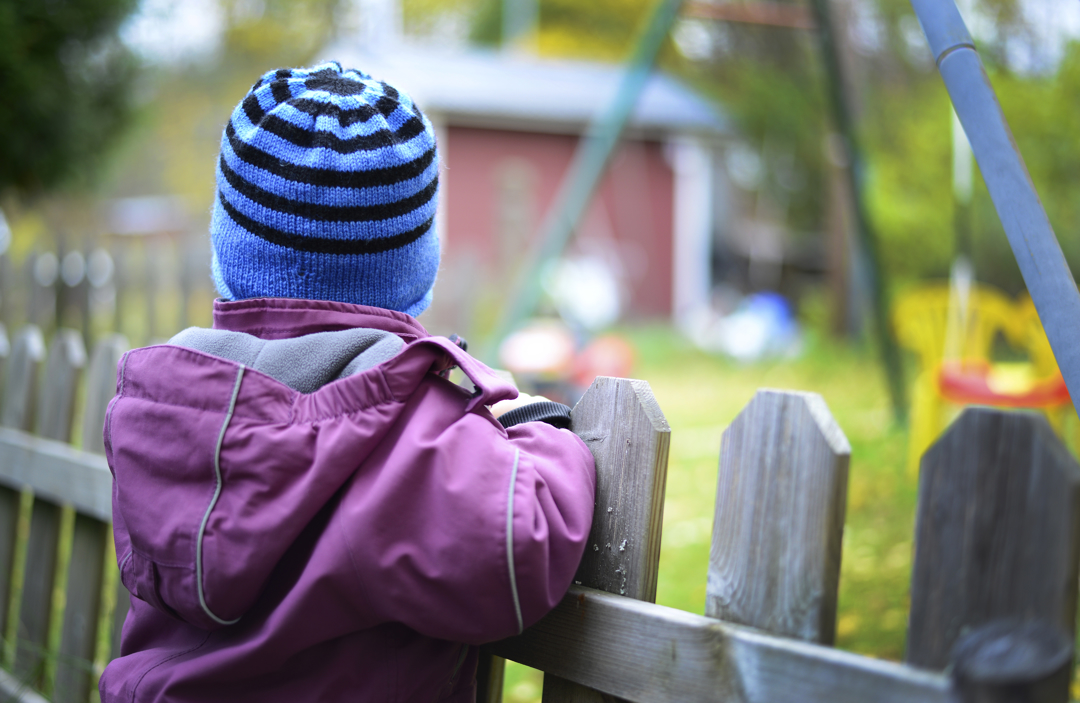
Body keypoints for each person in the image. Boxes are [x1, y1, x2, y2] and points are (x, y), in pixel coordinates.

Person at [100, 62, 596, 703]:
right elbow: (519, 544)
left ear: (225, 252)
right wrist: (536, 425)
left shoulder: (157, 408)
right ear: (418, 272)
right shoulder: (408, 432)